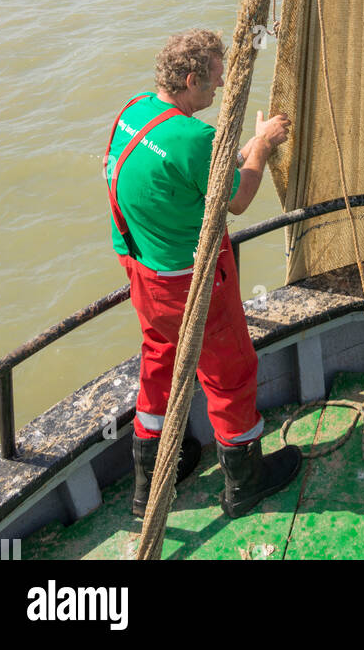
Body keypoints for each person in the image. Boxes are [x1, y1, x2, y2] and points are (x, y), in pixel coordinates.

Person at [103, 28, 302, 517]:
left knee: (159, 366)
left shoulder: (132, 112)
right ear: (191, 79)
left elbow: (184, 172)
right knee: (230, 373)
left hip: (143, 273)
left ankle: (150, 482)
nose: (219, 91)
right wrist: (262, 146)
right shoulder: (198, 137)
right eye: (213, 81)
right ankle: (244, 482)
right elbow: (235, 199)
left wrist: (238, 149)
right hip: (193, 283)